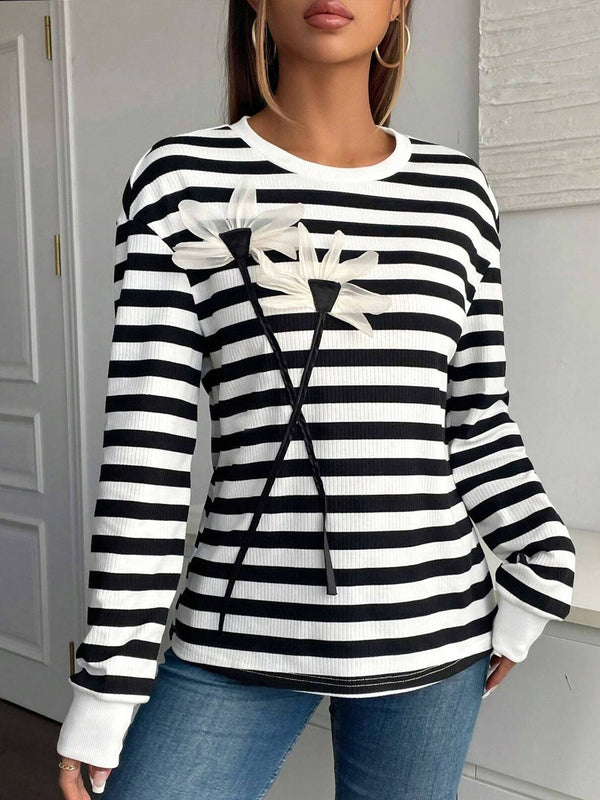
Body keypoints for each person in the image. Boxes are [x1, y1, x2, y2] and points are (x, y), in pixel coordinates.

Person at [56, 1, 576, 798]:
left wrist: (541, 560)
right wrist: (109, 681)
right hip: (236, 631)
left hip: (436, 629)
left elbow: (475, 419)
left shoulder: (459, 195)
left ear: (398, 5)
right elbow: (147, 449)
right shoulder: (180, 181)